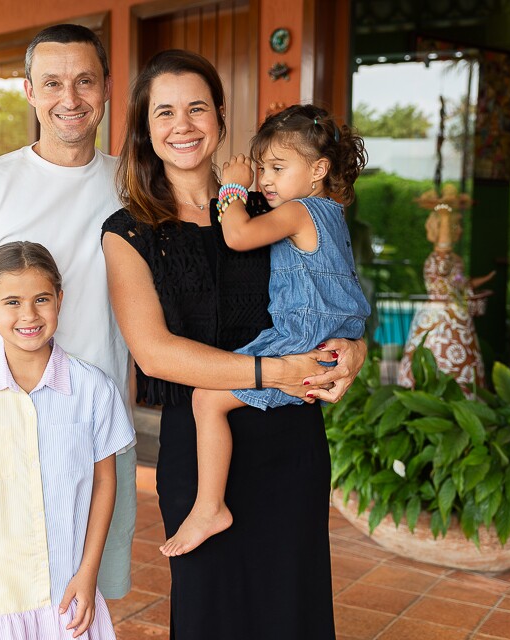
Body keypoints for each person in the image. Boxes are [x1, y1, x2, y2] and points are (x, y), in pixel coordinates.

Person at [101, 50, 367, 639]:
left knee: (290, 609)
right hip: (200, 450)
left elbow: (328, 289)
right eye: (164, 112)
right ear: (146, 128)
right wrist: (273, 371)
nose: (183, 124)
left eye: (196, 107)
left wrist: (354, 347)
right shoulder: (129, 232)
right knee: (210, 613)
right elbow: (154, 352)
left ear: (220, 116)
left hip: (289, 438)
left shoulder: (268, 204)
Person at [0, 24, 138, 600]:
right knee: (4, 593)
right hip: (5, 430)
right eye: (53, 83)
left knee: (84, 595)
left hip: (98, 426)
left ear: (107, 87)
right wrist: (21, 372)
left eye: (85, 81)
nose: (71, 98)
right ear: (29, 91)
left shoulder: (132, 187)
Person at [160, 104, 371, 557]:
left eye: (277, 167)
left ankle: (209, 507)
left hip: (298, 338)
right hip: (327, 338)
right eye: (260, 168)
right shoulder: (334, 215)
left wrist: (234, 187)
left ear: (318, 170)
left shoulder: (298, 211)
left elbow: (236, 236)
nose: (266, 179)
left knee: (206, 398)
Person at [0, 242, 132, 640]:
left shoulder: (93, 390)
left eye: (41, 299)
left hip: (66, 592)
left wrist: (88, 574)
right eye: (12, 302)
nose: (29, 315)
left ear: (59, 300)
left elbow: (106, 482)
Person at [398, 194, 494, 391]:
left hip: (456, 315)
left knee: (460, 359)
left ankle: (461, 398)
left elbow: (459, 283)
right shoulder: (439, 258)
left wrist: (479, 281)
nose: (458, 230)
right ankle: (436, 400)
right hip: (439, 316)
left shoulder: (455, 259)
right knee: (438, 354)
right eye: (453, 226)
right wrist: (444, 215)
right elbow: (444, 250)